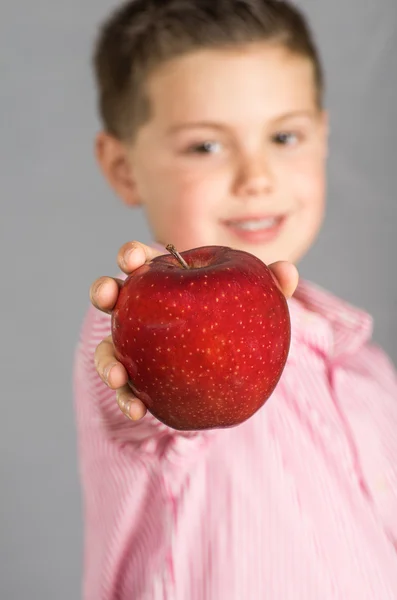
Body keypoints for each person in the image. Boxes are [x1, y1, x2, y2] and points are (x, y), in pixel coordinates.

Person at [74, 1, 397, 598]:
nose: (257, 176)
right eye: (206, 147)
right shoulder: (130, 328)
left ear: (323, 136)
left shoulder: (367, 368)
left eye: (284, 136)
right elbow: (139, 402)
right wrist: (130, 333)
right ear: (124, 168)